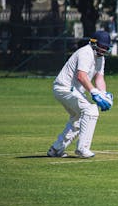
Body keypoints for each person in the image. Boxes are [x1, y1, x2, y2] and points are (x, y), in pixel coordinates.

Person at [47, 30, 114, 158]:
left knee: (79, 120)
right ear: (94, 43)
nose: (104, 49)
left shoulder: (101, 57)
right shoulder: (86, 53)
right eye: (102, 46)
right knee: (91, 110)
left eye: (106, 47)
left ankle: (56, 149)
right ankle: (82, 148)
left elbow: (99, 78)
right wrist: (94, 93)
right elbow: (81, 76)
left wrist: (103, 94)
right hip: (64, 88)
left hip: (73, 90)